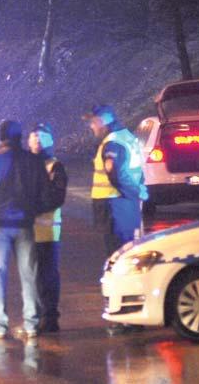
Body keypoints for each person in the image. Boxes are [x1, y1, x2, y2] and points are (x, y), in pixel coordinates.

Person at [0, 120, 50, 340]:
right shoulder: (33, 162)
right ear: (20, 137)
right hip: (25, 224)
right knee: (29, 275)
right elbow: (45, 193)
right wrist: (33, 211)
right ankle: (32, 324)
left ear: (1, 137)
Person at [84, 105, 148, 335]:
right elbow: (138, 170)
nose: (91, 127)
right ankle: (133, 316)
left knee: (118, 262)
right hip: (126, 207)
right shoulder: (127, 137)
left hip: (115, 207)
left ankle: (126, 318)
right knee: (129, 258)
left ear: (103, 122)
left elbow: (115, 173)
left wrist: (133, 193)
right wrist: (138, 192)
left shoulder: (112, 143)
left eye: (93, 122)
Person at [28, 123, 68, 333]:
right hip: (26, 233)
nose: (37, 140)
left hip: (46, 232)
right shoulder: (25, 165)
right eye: (34, 136)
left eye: (42, 136)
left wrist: (31, 208)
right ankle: (34, 317)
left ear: (50, 141)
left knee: (47, 277)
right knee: (30, 277)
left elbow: (56, 197)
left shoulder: (55, 166)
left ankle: (50, 318)